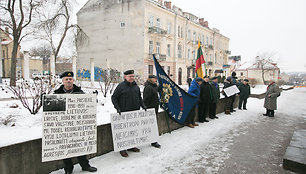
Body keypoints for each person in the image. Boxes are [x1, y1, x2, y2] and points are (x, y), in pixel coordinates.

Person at [54, 72, 97, 174]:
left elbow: (87, 107)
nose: (69, 81)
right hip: (63, 126)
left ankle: (85, 165)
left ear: (73, 80)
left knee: (80, 146)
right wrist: (45, 100)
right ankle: (68, 169)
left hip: (77, 125)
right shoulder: (57, 93)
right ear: (63, 81)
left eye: (70, 79)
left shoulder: (80, 93)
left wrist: (93, 99)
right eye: (66, 79)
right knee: (66, 148)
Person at [111, 70, 147, 157]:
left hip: (134, 112)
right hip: (124, 113)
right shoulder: (121, 86)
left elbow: (139, 97)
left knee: (133, 131)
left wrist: (143, 105)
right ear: (125, 77)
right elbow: (114, 97)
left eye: (133, 76)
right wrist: (118, 108)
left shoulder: (136, 86)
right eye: (130, 76)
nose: (132, 78)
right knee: (124, 132)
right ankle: (122, 149)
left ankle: (131, 146)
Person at [143, 75, 161, 148]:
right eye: (154, 78)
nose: (156, 79)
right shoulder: (148, 88)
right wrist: (148, 109)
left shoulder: (153, 86)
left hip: (154, 109)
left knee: (153, 126)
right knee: (151, 126)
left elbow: (156, 90)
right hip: (150, 110)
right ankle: (153, 141)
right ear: (150, 79)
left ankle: (153, 140)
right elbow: (146, 100)